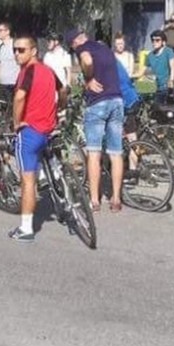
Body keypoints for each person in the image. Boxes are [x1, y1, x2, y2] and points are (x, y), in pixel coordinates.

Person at [8, 36, 64, 242]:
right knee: (41, 158)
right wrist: (61, 108)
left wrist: (16, 123)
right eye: (15, 50)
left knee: (27, 182)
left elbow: (19, 97)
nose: (17, 54)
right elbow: (63, 90)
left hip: (30, 131)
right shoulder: (48, 70)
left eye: (21, 50)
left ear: (33, 51)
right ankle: (54, 174)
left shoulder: (27, 71)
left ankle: (26, 229)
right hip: (48, 128)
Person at [66, 28, 124, 213]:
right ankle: (116, 199)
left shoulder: (82, 48)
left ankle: (94, 200)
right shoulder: (104, 47)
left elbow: (87, 60)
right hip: (117, 101)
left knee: (94, 153)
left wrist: (89, 78)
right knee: (116, 153)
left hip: (98, 103)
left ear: (74, 43)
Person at [145, 29, 174, 104]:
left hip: (168, 87)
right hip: (159, 87)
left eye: (157, 40)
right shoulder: (150, 56)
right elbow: (143, 71)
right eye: (153, 40)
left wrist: (171, 81)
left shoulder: (168, 51)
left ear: (163, 42)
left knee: (164, 107)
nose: (154, 42)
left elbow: (173, 67)